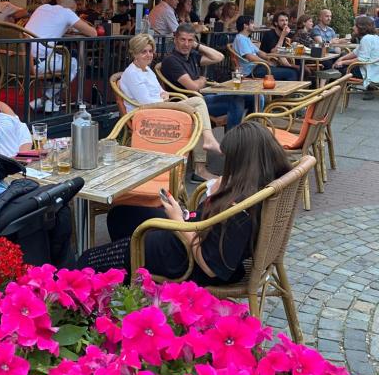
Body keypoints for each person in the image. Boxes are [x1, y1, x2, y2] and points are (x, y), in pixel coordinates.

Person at [78, 121, 291, 283]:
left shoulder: (240, 210)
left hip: (185, 258)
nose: (225, 167)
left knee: (87, 260)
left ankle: (130, 262)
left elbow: (211, 267)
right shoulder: (260, 185)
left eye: (229, 161)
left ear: (243, 163)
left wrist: (178, 221)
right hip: (193, 231)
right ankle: (133, 274)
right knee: (122, 215)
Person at [118, 33, 221, 181]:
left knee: (197, 114)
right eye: (143, 52)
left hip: (159, 108)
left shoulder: (147, 70)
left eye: (150, 51)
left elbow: (162, 92)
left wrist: (163, 96)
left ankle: (200, 167)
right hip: (146, 115)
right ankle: (206, 147)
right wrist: (164, 99)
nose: (148, 55)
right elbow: (148, 103)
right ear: (134, 53)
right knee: (198, 102)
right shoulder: (132, 74)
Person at [161, 23, 253, 131]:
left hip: (202, 97)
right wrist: (202, 80)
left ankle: (252, 133)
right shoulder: (171, 60)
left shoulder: (192, 56)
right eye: (183, 39)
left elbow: (219, 57)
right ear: (175, 39)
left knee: (253, 98)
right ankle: (231, 143)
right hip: (189, 103)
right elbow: (193, 87)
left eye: (190, 40)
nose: (186, 44)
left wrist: (196, 45)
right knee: (236, 101)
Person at [25, 0, 97, 113]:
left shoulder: (42, 8)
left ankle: (48, 101)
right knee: (74, 60)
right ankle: (47, 98)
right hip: (39, 64)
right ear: (72, 8)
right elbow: (93, 32)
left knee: (58, 57)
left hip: (21, 60)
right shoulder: (67, 12)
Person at [233, 15, 299, 80]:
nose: (254, 25)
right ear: (245, 26)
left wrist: (270, 58)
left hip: (259, 67)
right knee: (291, 73)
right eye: (252, 23)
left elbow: (259, 52)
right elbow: (250, 57)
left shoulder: (245, 38)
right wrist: (267, 62)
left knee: (292, 70)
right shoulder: (240, 39)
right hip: (252, 71)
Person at [333, 16, 379, 99]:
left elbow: (361, 59)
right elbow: (355, 52)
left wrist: (342, 62)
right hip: (374, 69)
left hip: (368, 71)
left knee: (340, 69)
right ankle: (370, 88)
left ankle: (337, 93)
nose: (353, 27)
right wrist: (341, 59)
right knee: (341, 61)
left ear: (361, 27)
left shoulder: (366, 39)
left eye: (355, 25)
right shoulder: (374, 37)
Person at [257, 11, 299, 78]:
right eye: (282, 20)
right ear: (276, 23)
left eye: (286, 20)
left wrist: (289, 65)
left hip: (277, 63)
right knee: (294, 72)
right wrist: (283, 36)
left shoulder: (284, 34)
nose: (285, 23)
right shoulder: (269, 34)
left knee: (302, 69)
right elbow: (275, 52)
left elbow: (282, 54)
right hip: (266, 65)